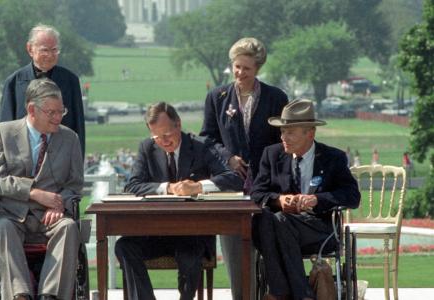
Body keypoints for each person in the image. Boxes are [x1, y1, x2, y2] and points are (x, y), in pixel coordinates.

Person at [116, 102, 243, 300]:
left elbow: (233, 179)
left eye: (167, 134)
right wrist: (167, 187)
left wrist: (198, 186)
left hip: (193, 232)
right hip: (155, 232)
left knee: (190, 255)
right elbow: (132, 185)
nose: (164, 142)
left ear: (179, 125)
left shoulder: (201, 146)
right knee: (124, 246)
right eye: (157, 137)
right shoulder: (147, 147)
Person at [199, 37, 288, 299]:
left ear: (257, 68)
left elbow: (284, 139)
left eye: (246, 69)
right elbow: (208, 138)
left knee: (269, 238)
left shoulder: (276, 97)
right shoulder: (217, 97)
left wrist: (267, 167)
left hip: (267, 182)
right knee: (234, 245)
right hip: (230, 185)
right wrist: (228, 158)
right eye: (236, 67)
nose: (240, 73)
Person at [251, 99, 360, 300]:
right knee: (267, 218)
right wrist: (279, 200)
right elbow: (256, 193)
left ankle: (280, 293)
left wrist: (317, 199)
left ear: (310, 133)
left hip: (318, 228)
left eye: (290, 132)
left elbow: (352, 196)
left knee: (278, 221)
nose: (283, 137)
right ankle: (296, 294)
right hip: (280, 226)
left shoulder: (332, 158)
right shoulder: (272, 154)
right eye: (282, 131)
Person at [0, 78, 83, 300]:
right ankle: (20, 294)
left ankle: (51, 295)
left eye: (61, 111)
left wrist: (60, 204)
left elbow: (75, 183)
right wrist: (33, 193)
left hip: (52, 216)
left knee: (68, 227)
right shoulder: (2, 133)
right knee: (3, 228)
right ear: (32, 109)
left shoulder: (70, 138)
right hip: (14, 213)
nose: (58, 117)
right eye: (51, 113)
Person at [0, 23, 85, 157]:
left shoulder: (70, 81)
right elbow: (4, 131)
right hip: (22, 163)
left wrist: (78, 164)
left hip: (60, 162)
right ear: (30, 49)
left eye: (54, 50)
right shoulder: (14, 83)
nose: (50, 55)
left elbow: (78, 127)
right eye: (45, 50)